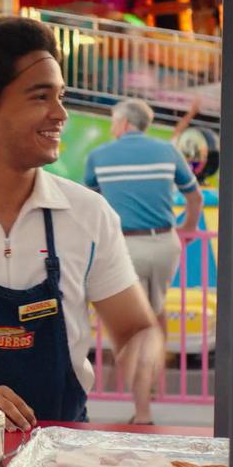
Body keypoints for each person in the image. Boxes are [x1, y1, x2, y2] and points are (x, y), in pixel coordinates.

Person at [0, 17, 164, 430]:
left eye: (61, 95)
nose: (61, 113)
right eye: (41, 96)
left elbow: (135, 328)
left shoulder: (88, 213)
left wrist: (143, 348)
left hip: (63, 452)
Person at [84, 99, 204, 353]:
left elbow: (89, 205)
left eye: (114, 122)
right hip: (165, 245)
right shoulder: (168, 151)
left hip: (125, 245)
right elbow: (196, 197)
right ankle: (156, 376)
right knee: (156, 309)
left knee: (128, 317)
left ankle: (136, 378)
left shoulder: (99, 156)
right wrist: (188, 229)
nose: (111, 128)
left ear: (125, 123)